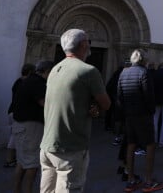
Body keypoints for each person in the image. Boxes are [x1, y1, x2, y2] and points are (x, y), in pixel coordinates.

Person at [40, 29, 111, 193]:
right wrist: (96, 106)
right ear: (84, 45)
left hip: (47, 145)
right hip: (70, 148)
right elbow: (106, 104)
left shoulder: (54, 69)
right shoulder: (89, 71)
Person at [118, 49, 163, 192]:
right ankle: (149, 181)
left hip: (129, 115)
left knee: (131, 144)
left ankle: (131, 179)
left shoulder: (123, 73)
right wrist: (151, 111)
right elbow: (148, 95)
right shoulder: (144, 73)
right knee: (150, 145)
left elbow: (119, 96)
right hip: (143, 115)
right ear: (143, 60)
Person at [12, 60, 54, 193]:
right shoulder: (37, 83)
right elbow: (45, 103)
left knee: (22, 161)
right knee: (32, 163)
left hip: (22, 124)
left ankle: (17, 189)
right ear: (46, 71)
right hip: (30, 126)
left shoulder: (29, 80)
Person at [5, 63, 36, 168]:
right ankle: (10, 159)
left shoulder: (19, 81)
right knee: (14, 136)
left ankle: (12, 158)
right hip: (17, 112)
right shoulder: (24, 82)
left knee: (14, 135)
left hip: (13, 110)